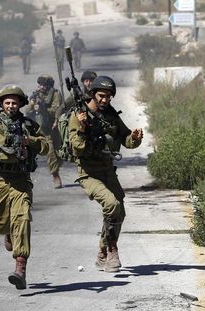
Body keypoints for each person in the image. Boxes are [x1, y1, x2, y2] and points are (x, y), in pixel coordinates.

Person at [68, 76, 143, 273]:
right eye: (101, 96)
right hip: (88, 172)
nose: (105, 100)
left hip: (107, 169)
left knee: (120, 211)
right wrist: (83, 128)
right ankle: (112, 250)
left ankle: (102, 253)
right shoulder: (79, 115)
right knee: (112, 204)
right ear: (93, 94)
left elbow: (125, 139)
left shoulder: (110, 114)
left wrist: (134, 138)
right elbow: (77, 148)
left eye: (108, 97)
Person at [0, 84, 49, 290]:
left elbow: (45, 146)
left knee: (22, 220)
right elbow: (1, 149)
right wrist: (18, 148)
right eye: (7, 102)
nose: (11, 106)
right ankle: (8, 232)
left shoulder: (28, 124)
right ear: (2, 104)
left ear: (20, 104)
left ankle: (20, 268)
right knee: (0, 223)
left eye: (14, 102)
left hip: (20, 181)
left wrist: (31, 142)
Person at [25, 74, 63, 188]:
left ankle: (57, 165)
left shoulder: (55, 94)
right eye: (40, 84)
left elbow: (56, 110)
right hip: (44, 129)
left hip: (56, 127)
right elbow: (27, 111)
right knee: (51, 151)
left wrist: (43, 108)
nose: (41, 87)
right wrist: (32, 105)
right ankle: (55, 175)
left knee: (59, 153)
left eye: (43, 85)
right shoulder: (36, 95)